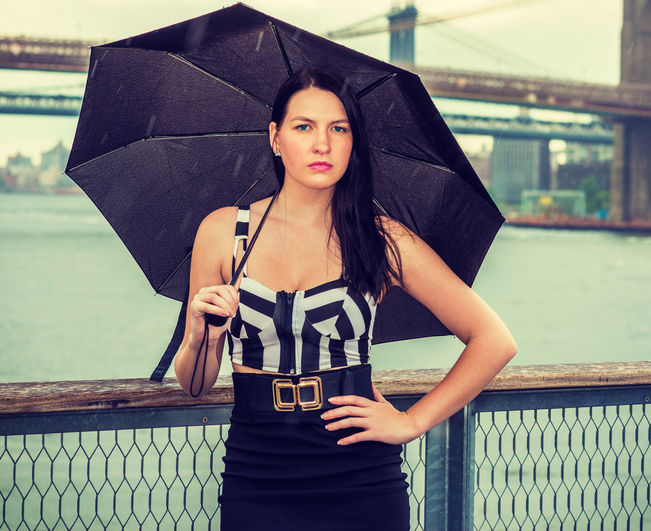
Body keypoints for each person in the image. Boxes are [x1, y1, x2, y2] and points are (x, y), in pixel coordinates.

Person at [173, 67, 516, 531]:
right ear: (276, 138)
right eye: (304, 127)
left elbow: (493, 340)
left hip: (360, 474)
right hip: (256, 470)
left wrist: (410, 422)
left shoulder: (382, 240)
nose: (323, 144)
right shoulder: (222, 233)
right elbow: (195, 385)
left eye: (339, 128)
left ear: (353, 143)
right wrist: (202, 334)